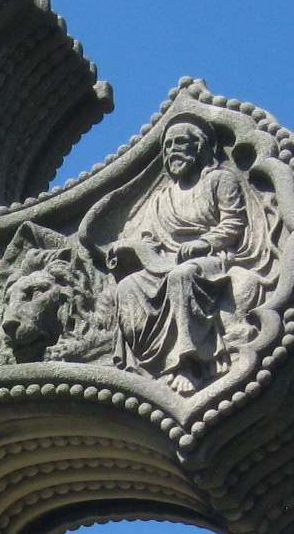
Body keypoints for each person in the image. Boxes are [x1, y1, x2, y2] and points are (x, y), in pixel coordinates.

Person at [107, 114, 275, 394]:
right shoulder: (163, 196)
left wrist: (205, 242)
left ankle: (186, 363)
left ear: (199, 147)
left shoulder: (220, 179)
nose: (173, 150)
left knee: (183, 276)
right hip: (166, 262)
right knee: (128, 287)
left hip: (214, 260)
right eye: (168, 145)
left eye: (181, 142)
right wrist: (132, 249)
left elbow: (233, 223)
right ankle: (146, 364)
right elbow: (152, 238)